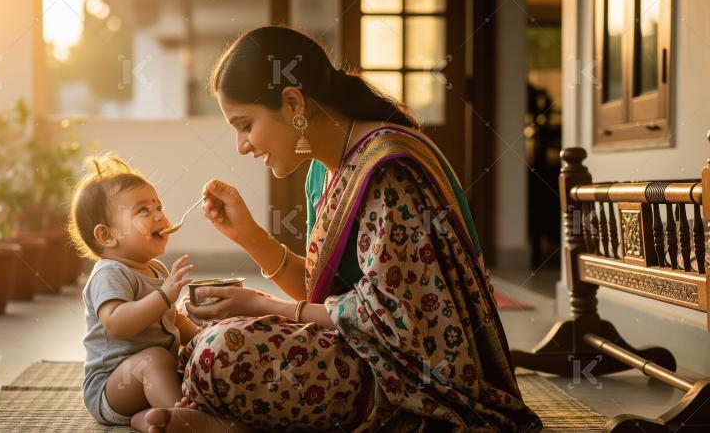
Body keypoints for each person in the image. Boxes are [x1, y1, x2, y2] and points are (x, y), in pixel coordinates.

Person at [146, 26, 542, 432]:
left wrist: (265, 307)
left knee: (221, 352)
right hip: (358, 351)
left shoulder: (387, 168)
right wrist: (248, 235)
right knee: (205, 333)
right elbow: (326, 293)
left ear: (292, 102)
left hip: (408, 378)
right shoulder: (323, 170)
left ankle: (225, 422)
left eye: (245, 125)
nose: (241, 146)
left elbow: (394, 321)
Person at [69, 153, 202, 431]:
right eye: (143, 210)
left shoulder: (156, 270)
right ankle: (184, 418)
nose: (159, 215)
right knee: (154, 359)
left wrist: (202, 338)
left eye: (159, 206)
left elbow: (172, 319)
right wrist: (163, 295)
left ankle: (149, 418)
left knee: (184, 359)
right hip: (112, 388)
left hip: (149, 380)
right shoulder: (109, 273)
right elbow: (117, 323)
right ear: (107, 236)